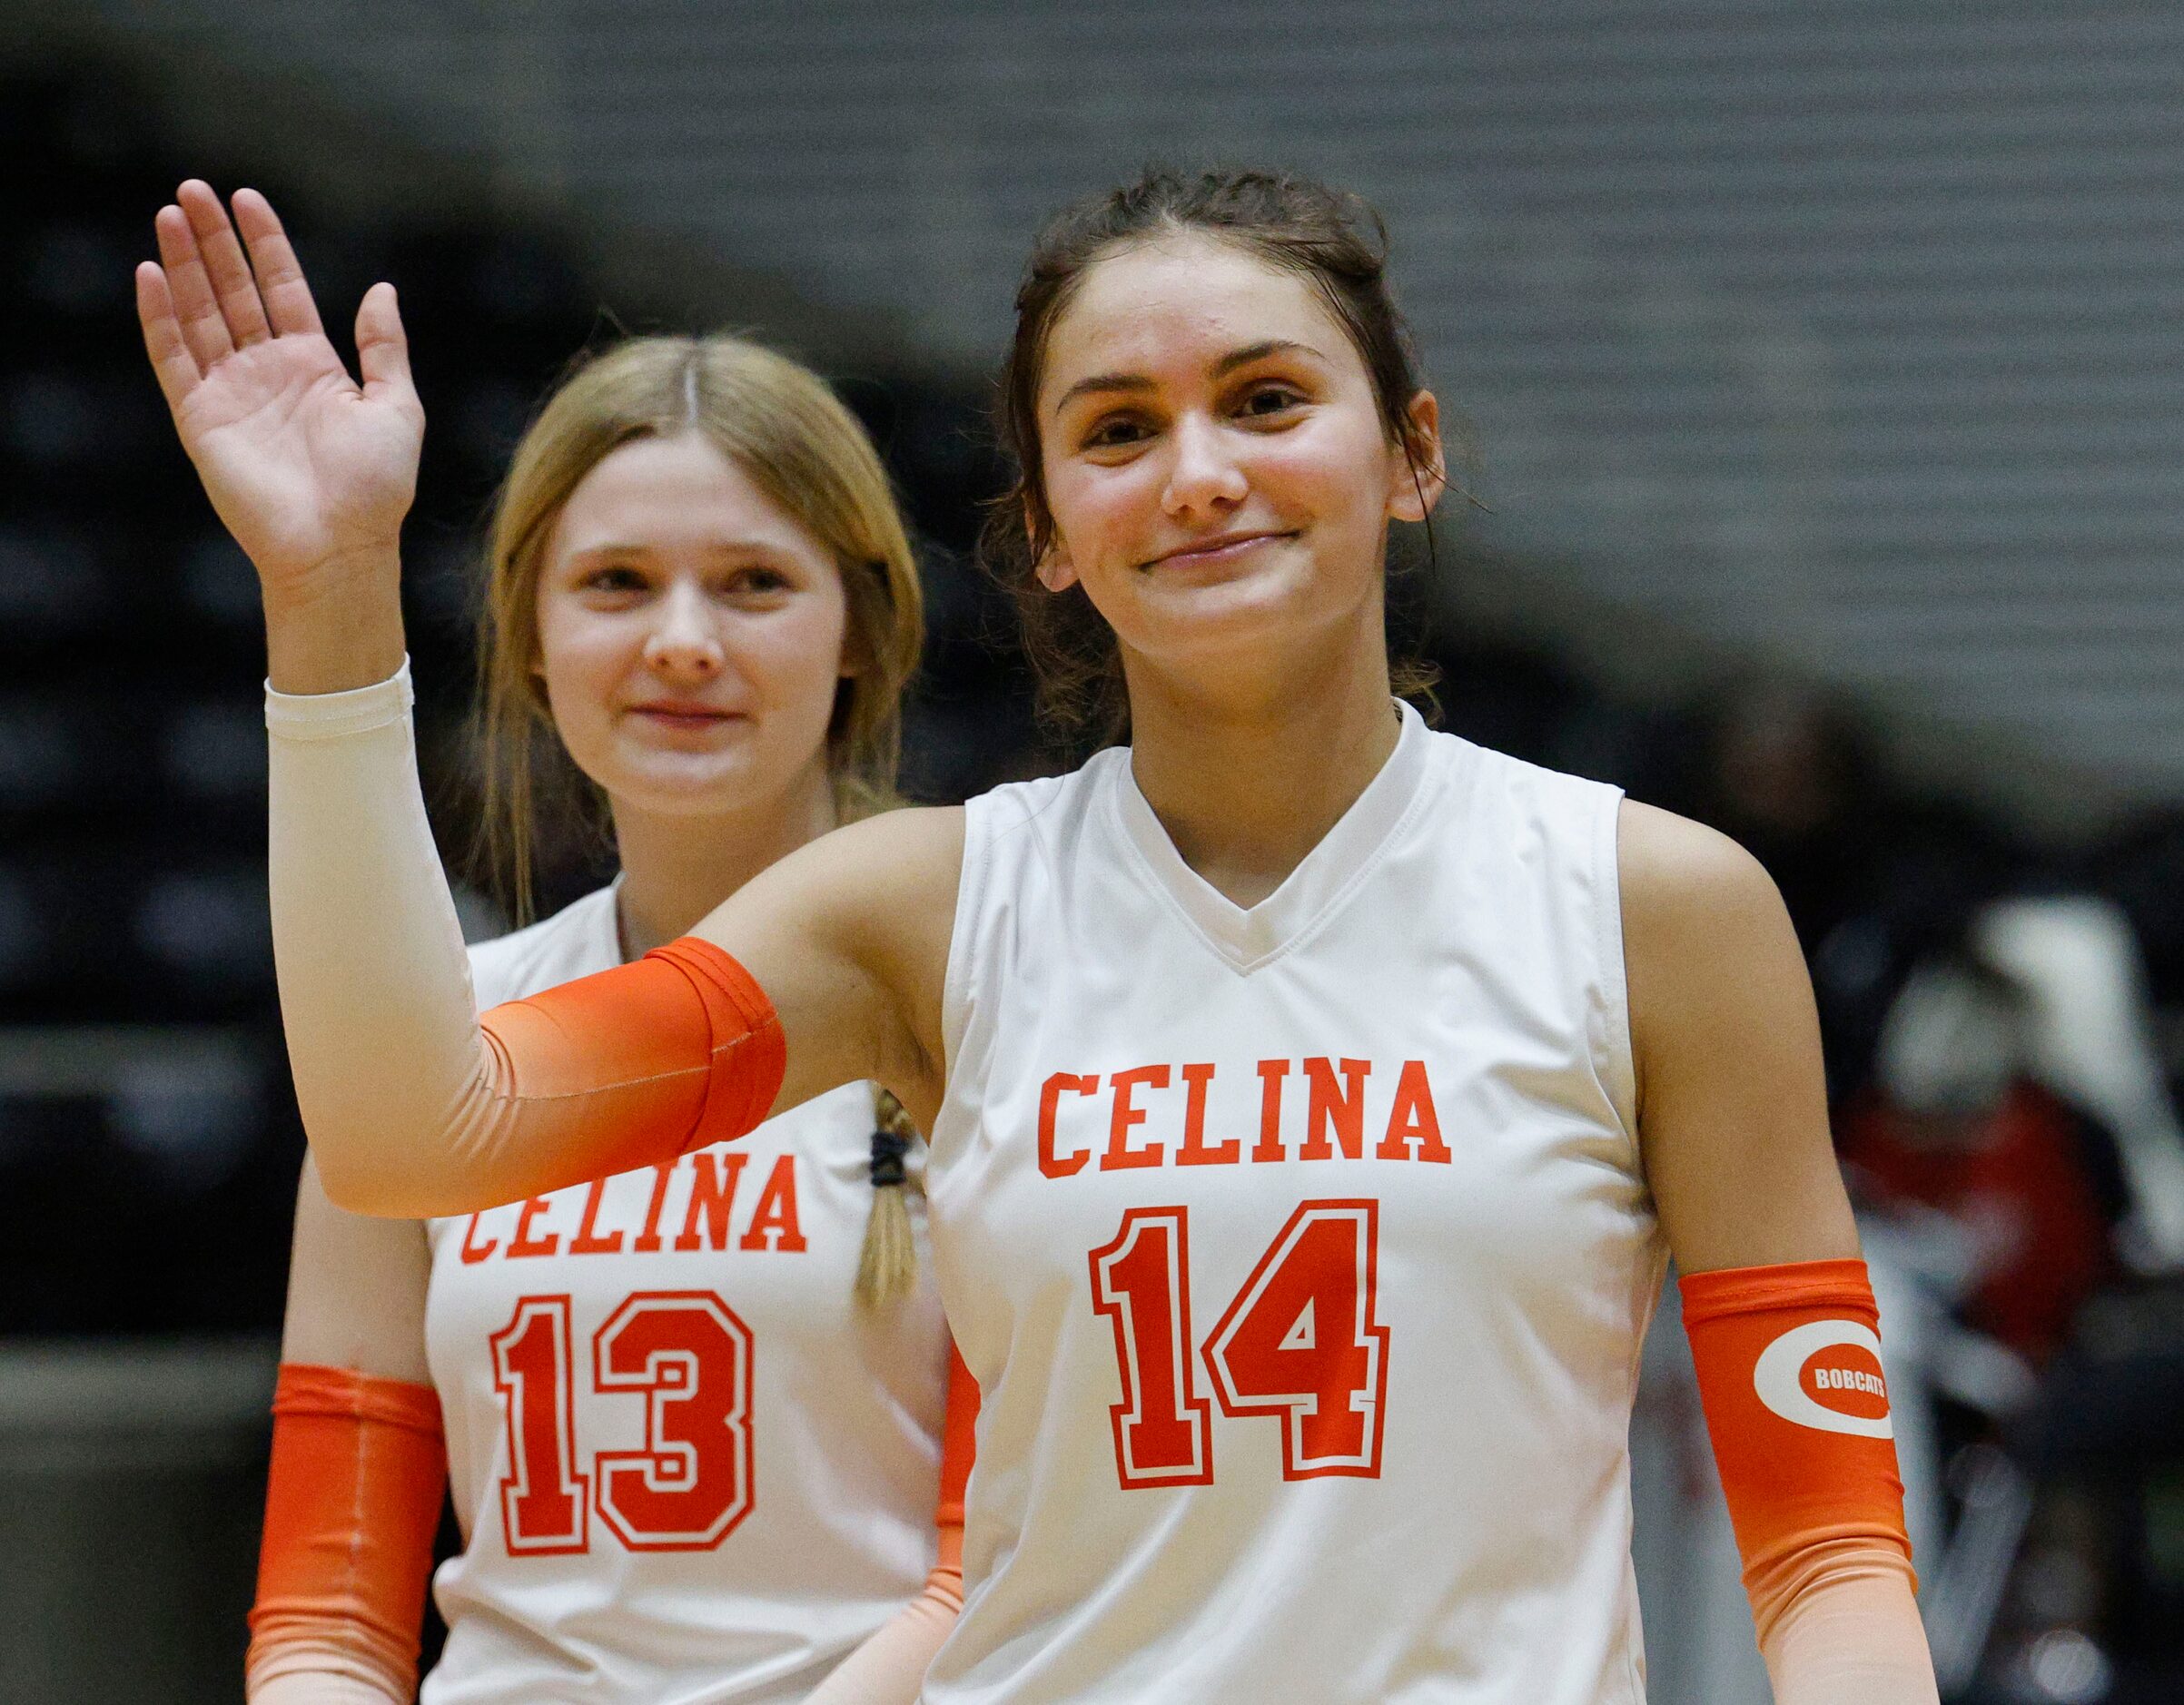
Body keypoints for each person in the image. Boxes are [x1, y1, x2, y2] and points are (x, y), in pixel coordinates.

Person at [142, 167, 1937, 1703]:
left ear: (1412, 454)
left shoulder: (1655, 904)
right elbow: (412, 1129)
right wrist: (330, 597)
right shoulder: (926, 907)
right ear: (1053, 533)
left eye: (1265, 399)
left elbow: (1836, 1552)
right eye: (1118, 429)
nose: (1199, 471)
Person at [141, 191, 973, 1704]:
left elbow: (1003, 1565)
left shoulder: (983, 1007)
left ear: (862, 625)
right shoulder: (426, 1039)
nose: (680, 640)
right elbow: (329, 1607)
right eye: (613, 583)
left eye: (753, 582)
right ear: (527, 634)